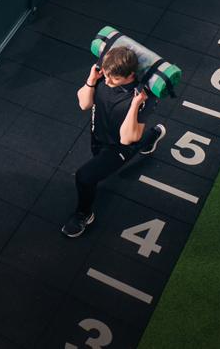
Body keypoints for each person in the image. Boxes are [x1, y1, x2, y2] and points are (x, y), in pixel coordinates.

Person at [63, 46, 167, 238]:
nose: (108, 81)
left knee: (84, 177)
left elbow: (128, 138)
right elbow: (84, 104)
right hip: (98, 136)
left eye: (115, 79)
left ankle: (84, 214)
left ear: (131, 75)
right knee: (98, 162)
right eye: (106, 75)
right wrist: (91, 80)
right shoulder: (104, 75)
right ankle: (154, 135)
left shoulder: (144, 96)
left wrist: (135, 105)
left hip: (120, 146)